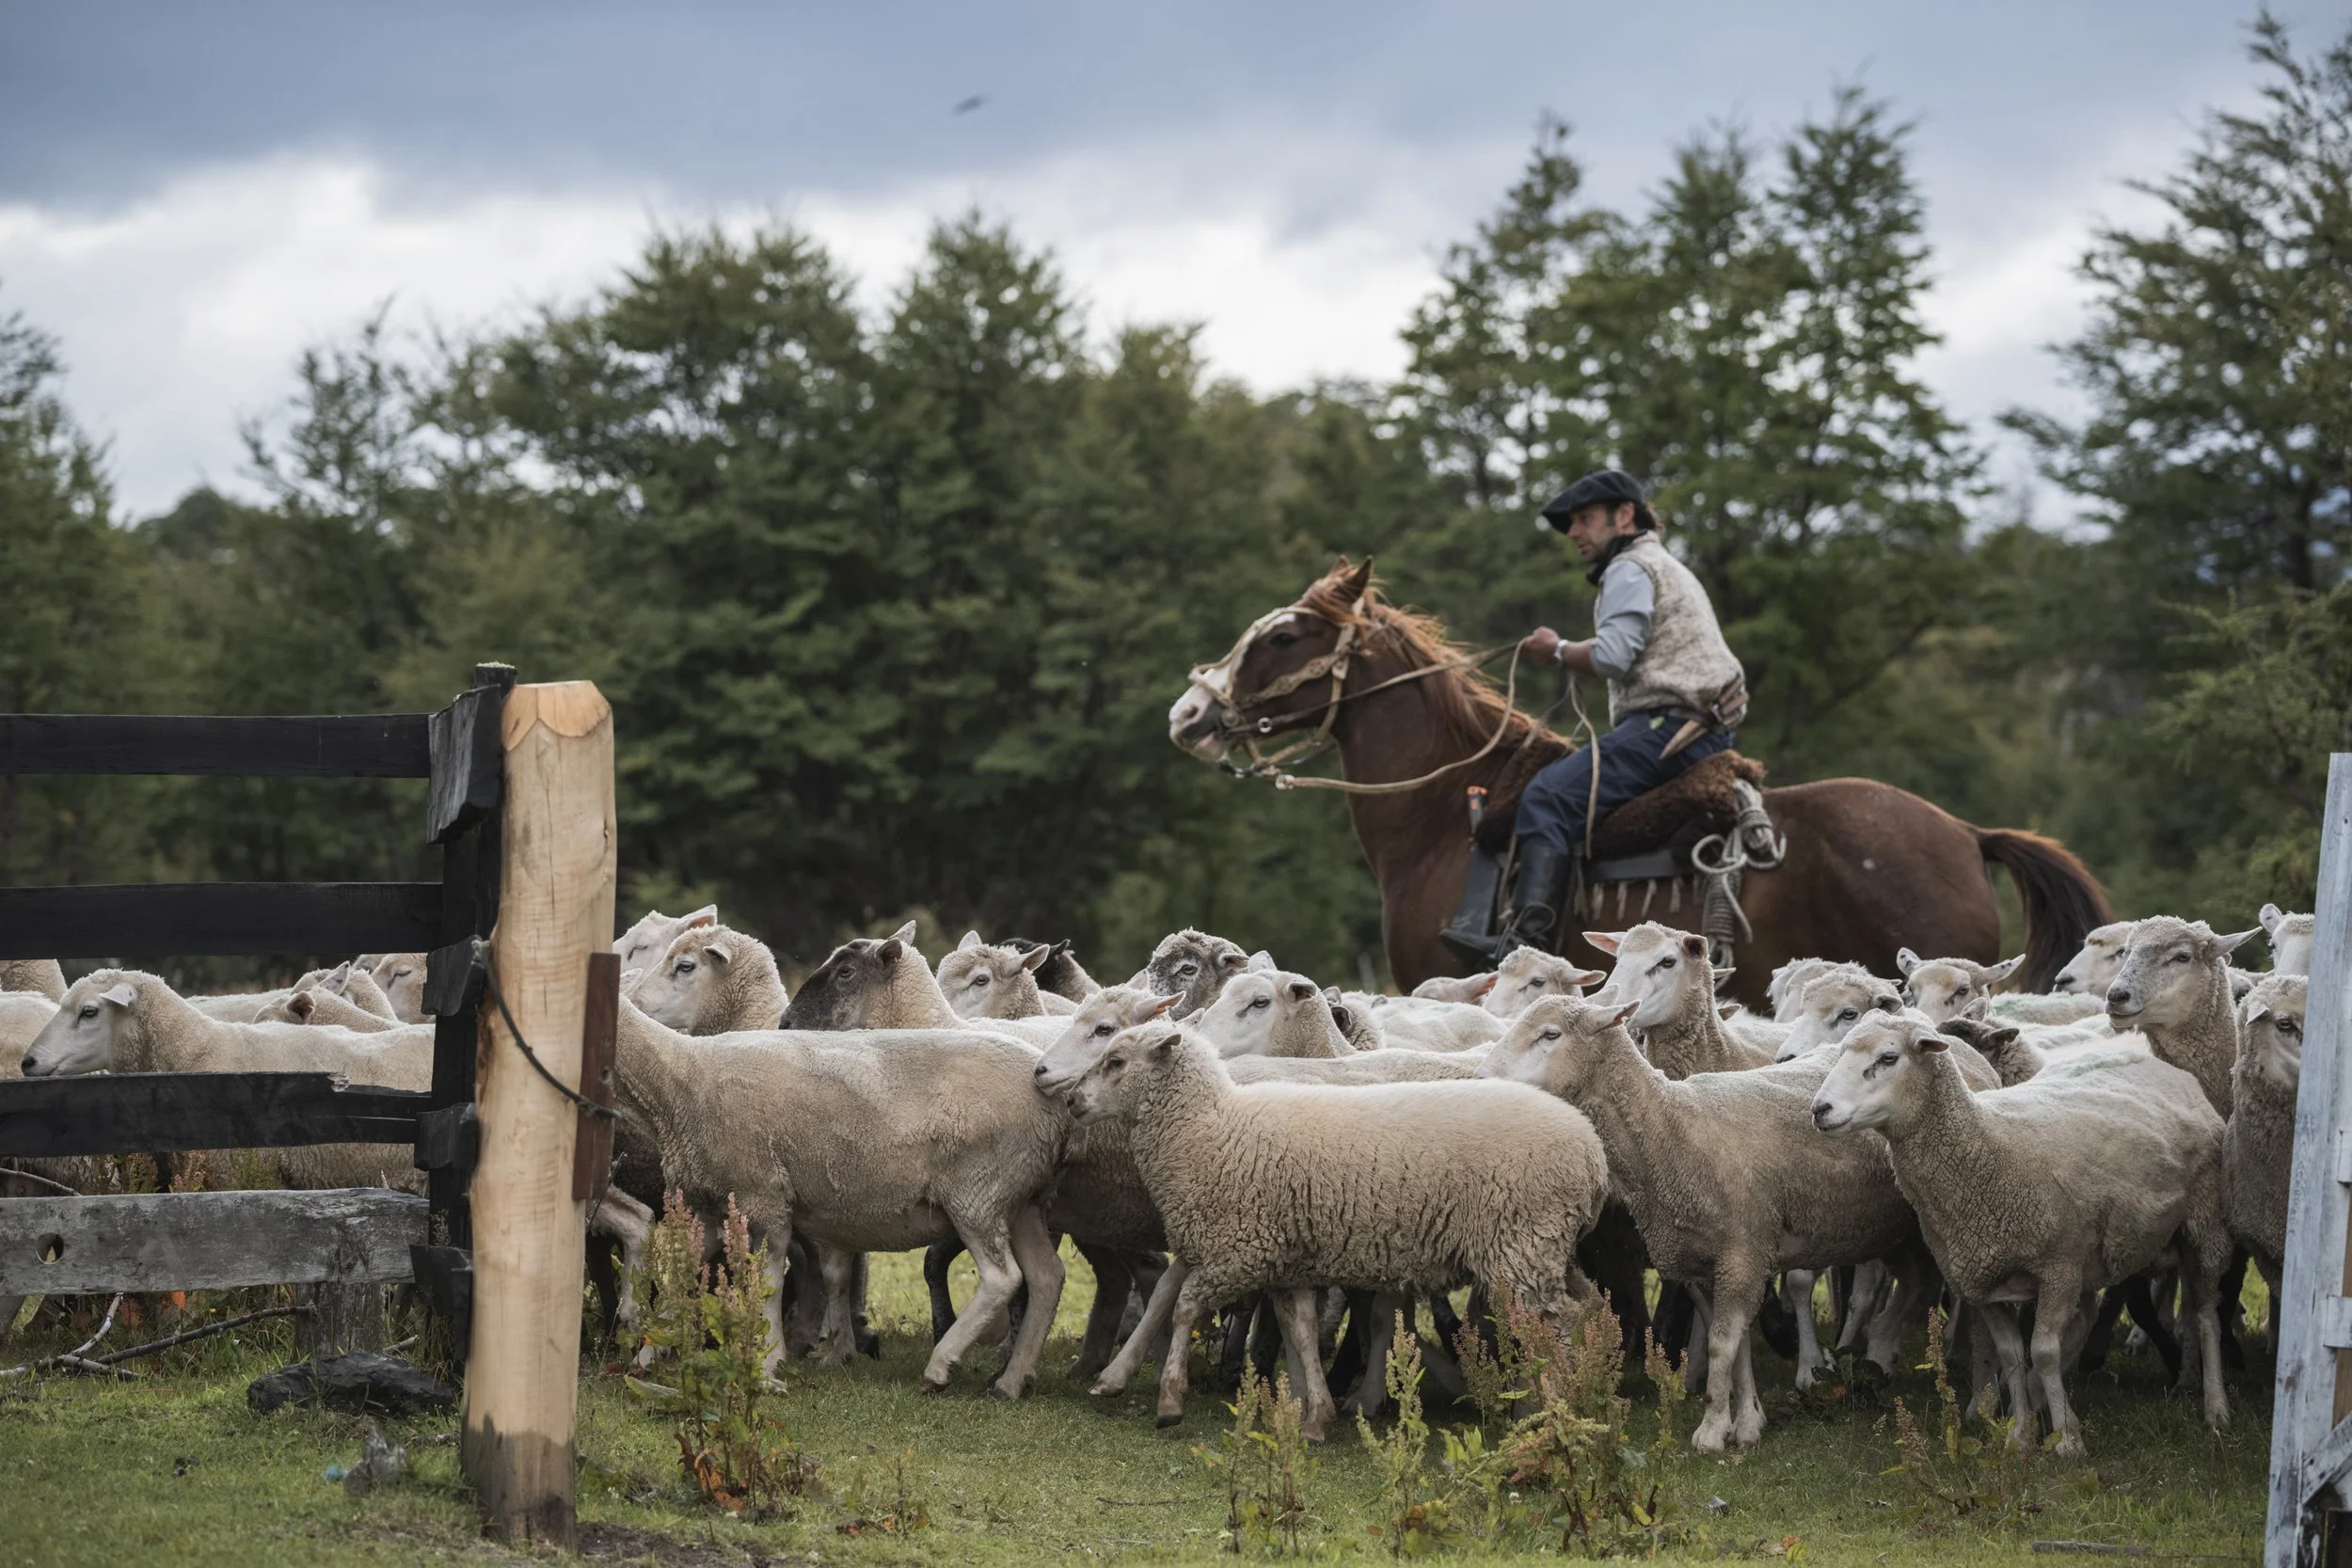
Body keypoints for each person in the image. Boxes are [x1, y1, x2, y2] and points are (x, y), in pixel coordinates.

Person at [1452, 468, 1747, 960]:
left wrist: (1558, 649)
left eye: (1585, 519)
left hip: (1669, 728)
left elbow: (1613, 656)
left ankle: (1527, 950)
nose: (1574, 533)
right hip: (1696, 727)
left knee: (1546, 796)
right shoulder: (1661, 564)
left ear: (1625, 516)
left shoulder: (1629, 568)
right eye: (1572, 523)